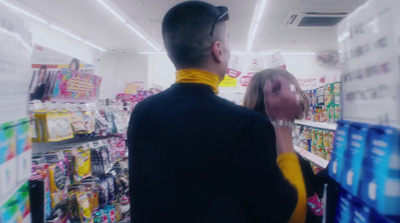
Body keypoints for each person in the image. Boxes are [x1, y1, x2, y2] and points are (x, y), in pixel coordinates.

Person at [128, 1, 306, 223]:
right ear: (218, 50)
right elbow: (290, 214)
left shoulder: (142, 112)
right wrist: (283, 125)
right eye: (228, 41)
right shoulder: (245, 124)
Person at [243, 68, 324, 223]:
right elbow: (293, 208)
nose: (297, 97)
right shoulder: (272, 152)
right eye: (292, 90)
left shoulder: (256, 143)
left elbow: (307, 187)